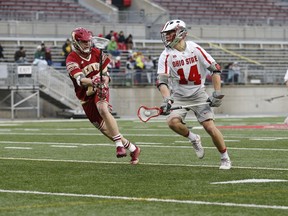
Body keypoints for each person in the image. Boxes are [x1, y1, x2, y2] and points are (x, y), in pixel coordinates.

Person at [156, 19, 231, 169]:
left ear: (180, 33)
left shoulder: (194, 48)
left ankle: (225, 158)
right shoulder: (166, 55)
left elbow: (215, 69)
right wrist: (167, 99)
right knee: (172, 122)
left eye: (170, 33)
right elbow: (162, 80)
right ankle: (193, 138)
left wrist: (217, 93)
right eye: (166, 34)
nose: (167, 37)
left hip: (198, 93)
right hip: (178, 95)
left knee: (209, 127)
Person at [66, 27, 140, 164]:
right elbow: (80, 79)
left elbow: (106, 74)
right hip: (85, 95)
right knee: (104, 129)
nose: (87, 44)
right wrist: (93, 81)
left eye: (88, 41)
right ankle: (132, 148)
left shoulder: (97, 53)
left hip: (100, 89)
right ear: (76, 43)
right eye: (84, 42)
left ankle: (118, 145)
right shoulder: (71, 58)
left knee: (103, 109)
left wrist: (104, 81)